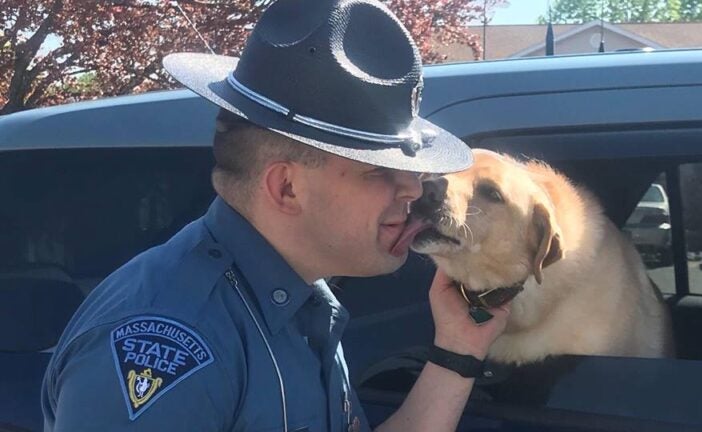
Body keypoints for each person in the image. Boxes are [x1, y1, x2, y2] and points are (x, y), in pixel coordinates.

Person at [41, 0, 512, 431]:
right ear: (286, 187)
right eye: (379, 170)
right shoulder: (172, 338)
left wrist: (458, 351)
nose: (413, 188)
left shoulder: (300, 300)